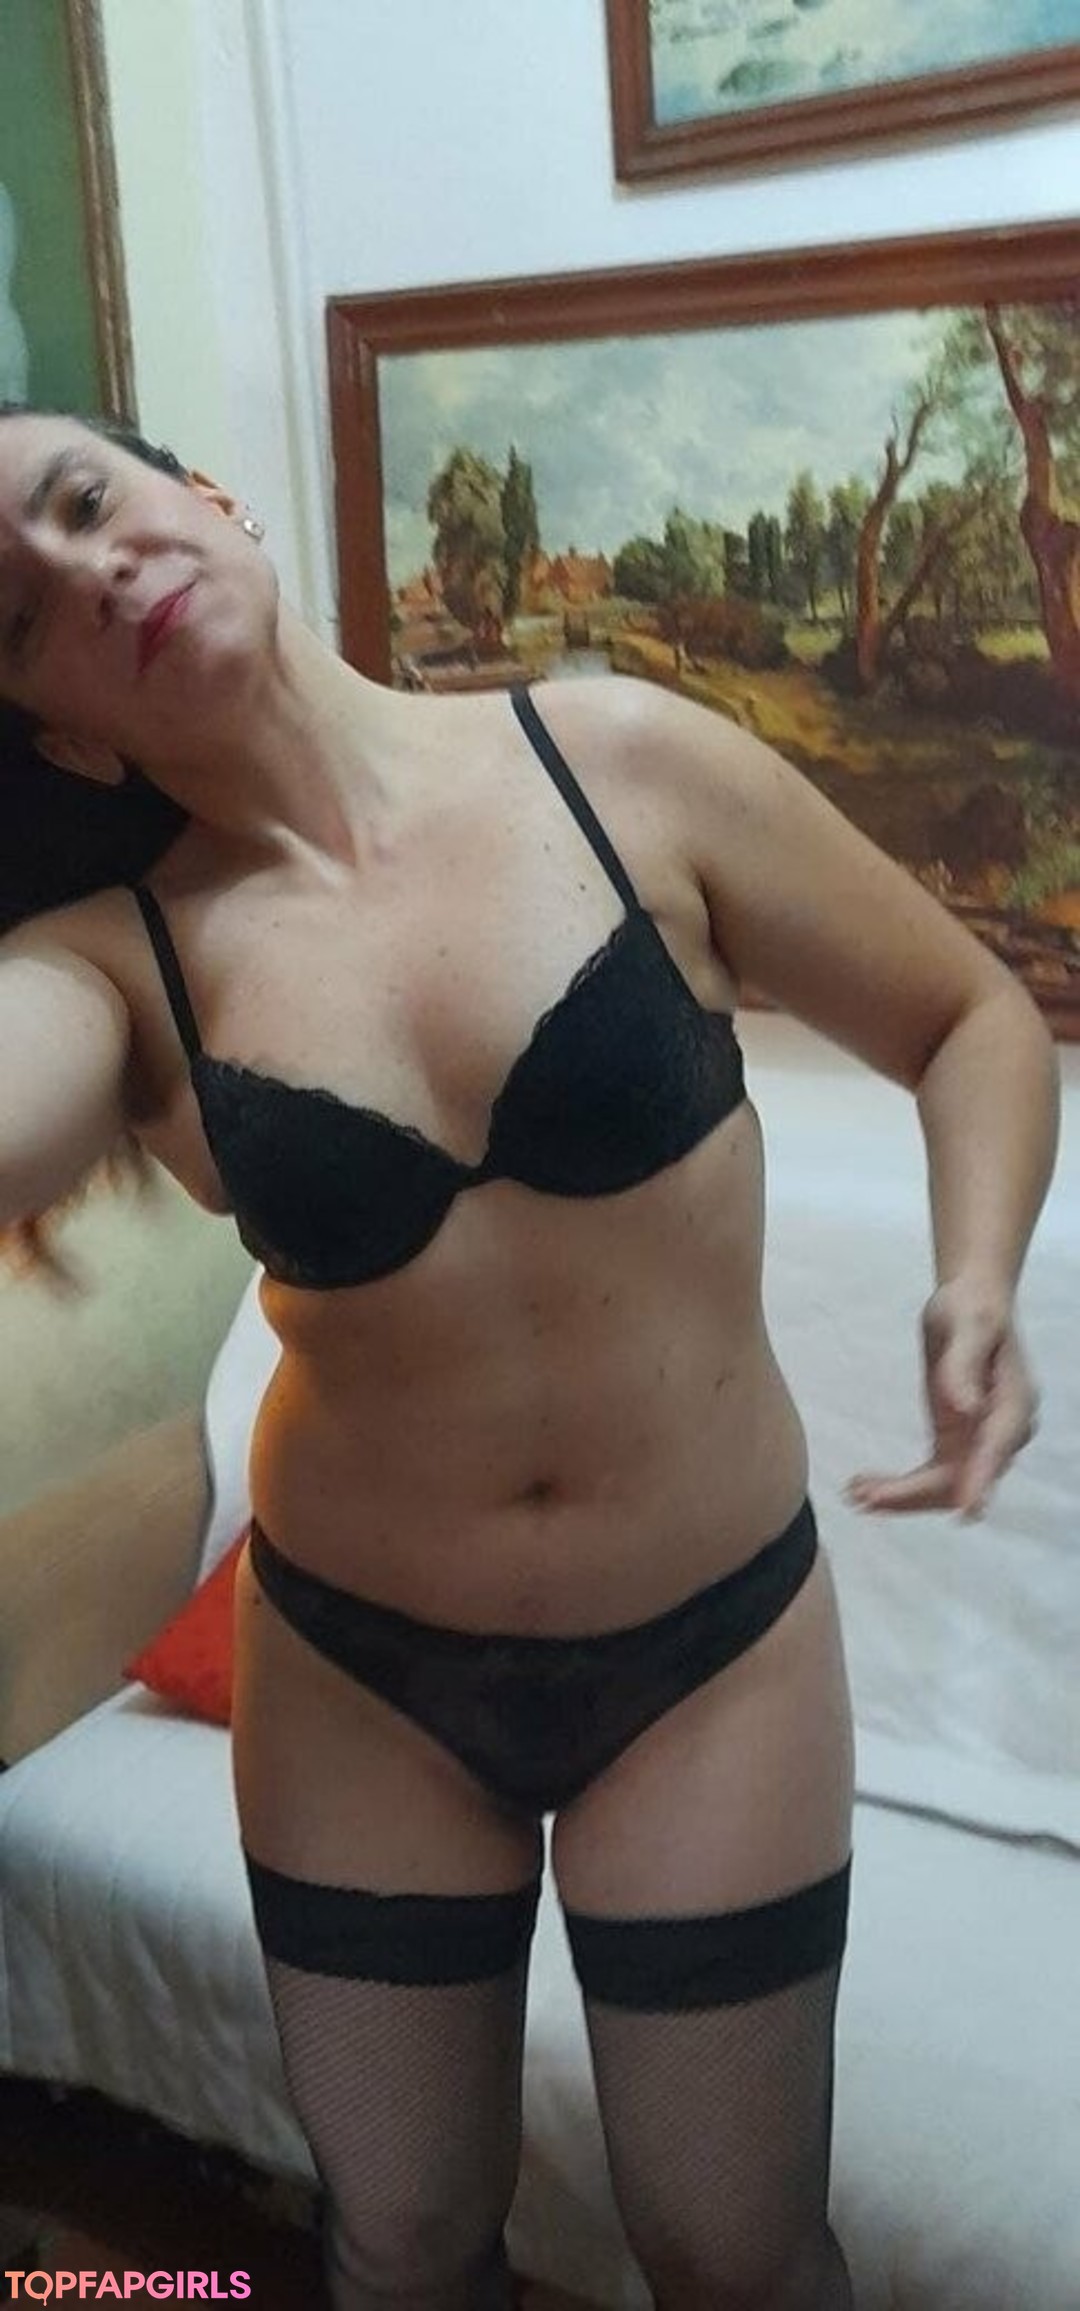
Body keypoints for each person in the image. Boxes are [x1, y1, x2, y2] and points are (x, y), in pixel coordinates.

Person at [0, 405, 1057, 2311]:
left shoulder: (623, 761)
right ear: (59, 731)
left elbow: (966, 1015)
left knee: (733, 2251)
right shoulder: (108, 965)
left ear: (207, 501)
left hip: (712, 1655)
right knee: (400, 2244)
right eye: (15, 611)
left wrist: (976, 1279)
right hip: (361, 1679)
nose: (85, 570)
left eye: (85, 502)